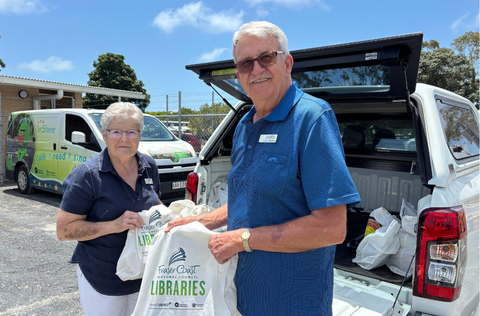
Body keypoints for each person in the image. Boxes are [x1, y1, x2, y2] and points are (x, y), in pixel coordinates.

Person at [165, 21, 361, 315]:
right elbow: (250, 199)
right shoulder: (245, 126)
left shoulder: (312, 118)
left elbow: (331, 228)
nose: (256, 69)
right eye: (246, 63)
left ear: (287, 63)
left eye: (266, 57)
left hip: (294, 303)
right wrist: (204, 222)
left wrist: (242, 239)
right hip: (243, 296)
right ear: (238, 73)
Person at [56, 102, 161, 316]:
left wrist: (172, 216)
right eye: (116, 132)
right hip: (103, 278)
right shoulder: (88, 175)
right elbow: (64, 231)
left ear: (140, 135)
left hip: (144, 275)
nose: (124, 139)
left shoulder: (149, 166)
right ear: (104, 135)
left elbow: (155, 204)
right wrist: (113, 225)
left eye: (132, 132)